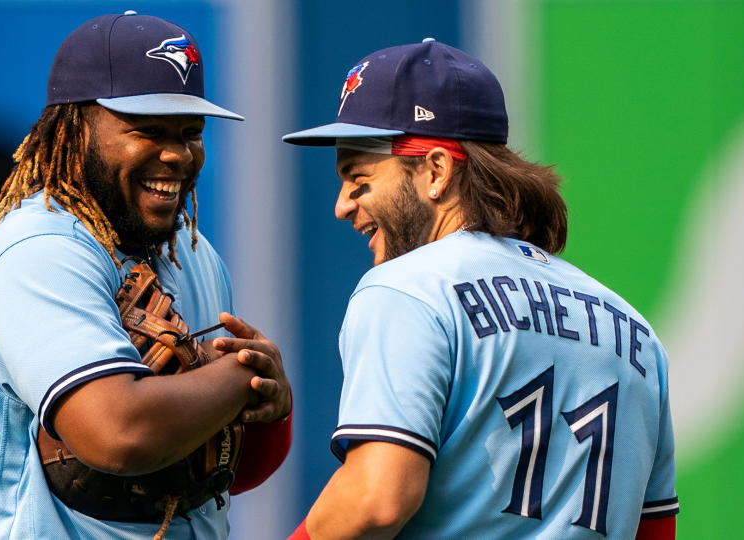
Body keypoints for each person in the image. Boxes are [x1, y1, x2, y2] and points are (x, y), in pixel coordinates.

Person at [281, 39, 678, 539]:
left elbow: (376, 499)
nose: (342, 204)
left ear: (436, 171)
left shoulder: (407, 289)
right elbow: (656, 531)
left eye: (358, 177)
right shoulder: (636, 331)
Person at [0, 12, 292, 539]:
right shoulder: (41, 251)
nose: (177, 154)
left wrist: (267, 401)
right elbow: (120, 433)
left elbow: (217, 475)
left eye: (191, 132)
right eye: (147, 130)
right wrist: (236, 378)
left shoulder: (193, 255)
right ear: (75, 126)